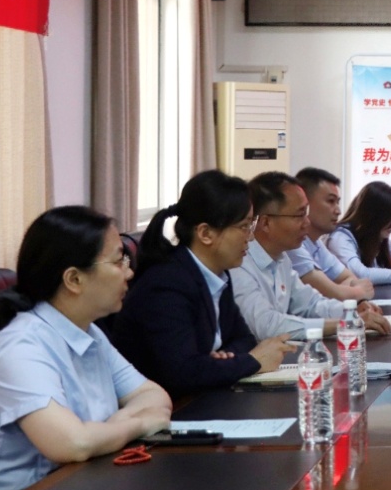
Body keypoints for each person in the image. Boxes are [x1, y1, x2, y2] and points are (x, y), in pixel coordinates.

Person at [0, 207, 172, 490]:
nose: (129, 272)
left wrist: (105, 431)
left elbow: (154, 397)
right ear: (74, 279)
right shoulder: (19, 347)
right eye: (118, 261)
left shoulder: (89, 332)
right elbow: (73, 444)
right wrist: (138, 425)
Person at [112, 170, 293, 396]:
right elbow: (182, 372)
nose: (250, 236)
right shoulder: (165, 285)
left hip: (206, 396)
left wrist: (224, 360)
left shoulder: (218, 274)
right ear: (206, 233)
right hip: (170, 406)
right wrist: (253, 361)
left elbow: (243, 338)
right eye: (244, 227)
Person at [231, 171, 391, 340]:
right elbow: (267, 325)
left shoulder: (281, 259)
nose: (307, 222)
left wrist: (352, 311)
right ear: (266, 223)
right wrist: (347, 322)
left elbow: (311, 304)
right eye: (299, 215)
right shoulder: (239, 264)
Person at [288, 167, 375, 301]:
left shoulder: (316, 242)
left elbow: (349, 278)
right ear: (304, 203)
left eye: (337, 202)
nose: (338, 211)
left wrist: (338, 290)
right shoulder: (292, 244)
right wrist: (357, 291)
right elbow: (334, 294)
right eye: (330, 201)